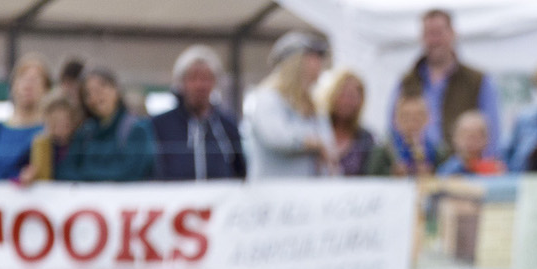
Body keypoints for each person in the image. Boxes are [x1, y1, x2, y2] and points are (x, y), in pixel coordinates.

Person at [395, 9, 500, 153]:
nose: (434, 40)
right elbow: (393, 128)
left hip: (463, 170)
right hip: (417, 168)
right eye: (428, 34)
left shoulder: (478, 80)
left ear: (453, 34)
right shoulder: (407, 81)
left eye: (438, 33)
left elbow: (492, 131)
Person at [150, 45, 244, 181]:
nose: (200, 85)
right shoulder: (160, 125)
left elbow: (240, 170)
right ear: (181, 82)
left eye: (206, 78)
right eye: (193, 78)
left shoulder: (227, 125)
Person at [245, 33, 330, 180]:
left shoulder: (314, 105)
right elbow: (277, 137)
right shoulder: (268, 98)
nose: (318, 62)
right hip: (273, 194)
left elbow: (329, 144)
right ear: (295, 61)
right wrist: (313, 143)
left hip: (307, 194)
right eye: (312, 56)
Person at [64, 66, 155, 182]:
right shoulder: (85, 132)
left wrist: (86, 174)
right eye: (88, 93)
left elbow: (130, 172)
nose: (95, 97)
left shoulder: (137, 128)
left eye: (101, 88)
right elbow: (67, 169)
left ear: (116, 89)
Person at [0, 55, 54, 180]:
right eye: (23, 78)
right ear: (13, 86)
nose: (28, 84)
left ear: (46, 89)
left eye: (35, 79)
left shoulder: (50, 132)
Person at [320, 68, 378, 176]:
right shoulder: (317, 128)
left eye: (352, 96)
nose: (346, 101)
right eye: (342, 94)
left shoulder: (365, 139)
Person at [366, 91, 439, 177]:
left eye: (418, 117)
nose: (412, 123)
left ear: (427, 118)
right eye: (406, 117)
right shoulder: (383, 152)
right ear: (396, 120)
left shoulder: (437, 152)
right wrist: (391, 174)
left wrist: (432, 174)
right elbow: (370, 177)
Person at [23, 91, 81, 182]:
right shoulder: (41, 145)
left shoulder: (80, 144)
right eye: (54, 122)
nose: (60, 127)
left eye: (65, 122)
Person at [438, 109, 503, 175]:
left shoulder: (492, 168)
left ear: (486, 139)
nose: (470, 142)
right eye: (465, 136)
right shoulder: (448, 170)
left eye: (476, 137)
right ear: (455, 138)